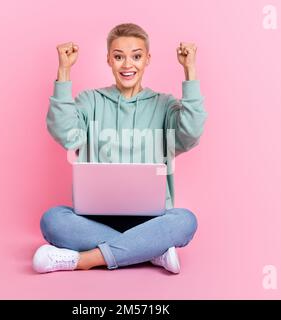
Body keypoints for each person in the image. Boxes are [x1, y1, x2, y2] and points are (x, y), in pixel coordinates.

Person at [33, 23, 208, 274]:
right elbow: (65, 135)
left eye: (136, 56)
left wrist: (190, 71)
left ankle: (84, 260)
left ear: (147, 59)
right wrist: (64, 72)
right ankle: (150, 250)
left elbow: (190, 133)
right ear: (109, 60)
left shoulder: (165, 105)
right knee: (52, 220)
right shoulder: (90, 100)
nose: (127, 65)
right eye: (118, 57)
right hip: (95, 218)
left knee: (185, 220)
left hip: (152, 220)